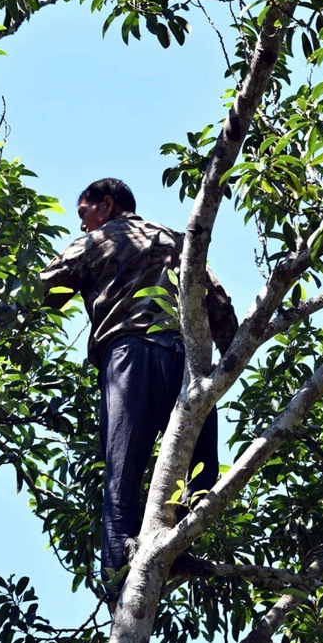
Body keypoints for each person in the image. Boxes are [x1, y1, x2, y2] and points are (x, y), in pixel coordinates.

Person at [41, 178, 238, 605]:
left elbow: (40, 292)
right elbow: (220, 305)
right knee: (200, 468)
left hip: (130, 356)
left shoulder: (99, 241)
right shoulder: (177, 240)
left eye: (84, 215)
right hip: (188, 365)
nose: (82, 227)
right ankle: (176, 550)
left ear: (106, 205)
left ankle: (118, 590)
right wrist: (226, 366)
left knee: (122, 473)